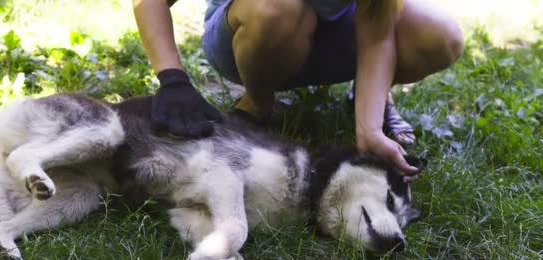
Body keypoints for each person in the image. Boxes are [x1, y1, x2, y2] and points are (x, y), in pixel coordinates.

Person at [132, 0, 463, 179]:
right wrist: (172, 77)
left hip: (333, 36)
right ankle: (257, 104)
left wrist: (370, 129)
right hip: (253, 32)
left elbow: (377, 30)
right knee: (279, 8)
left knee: (439, 34)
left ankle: (370, 97)